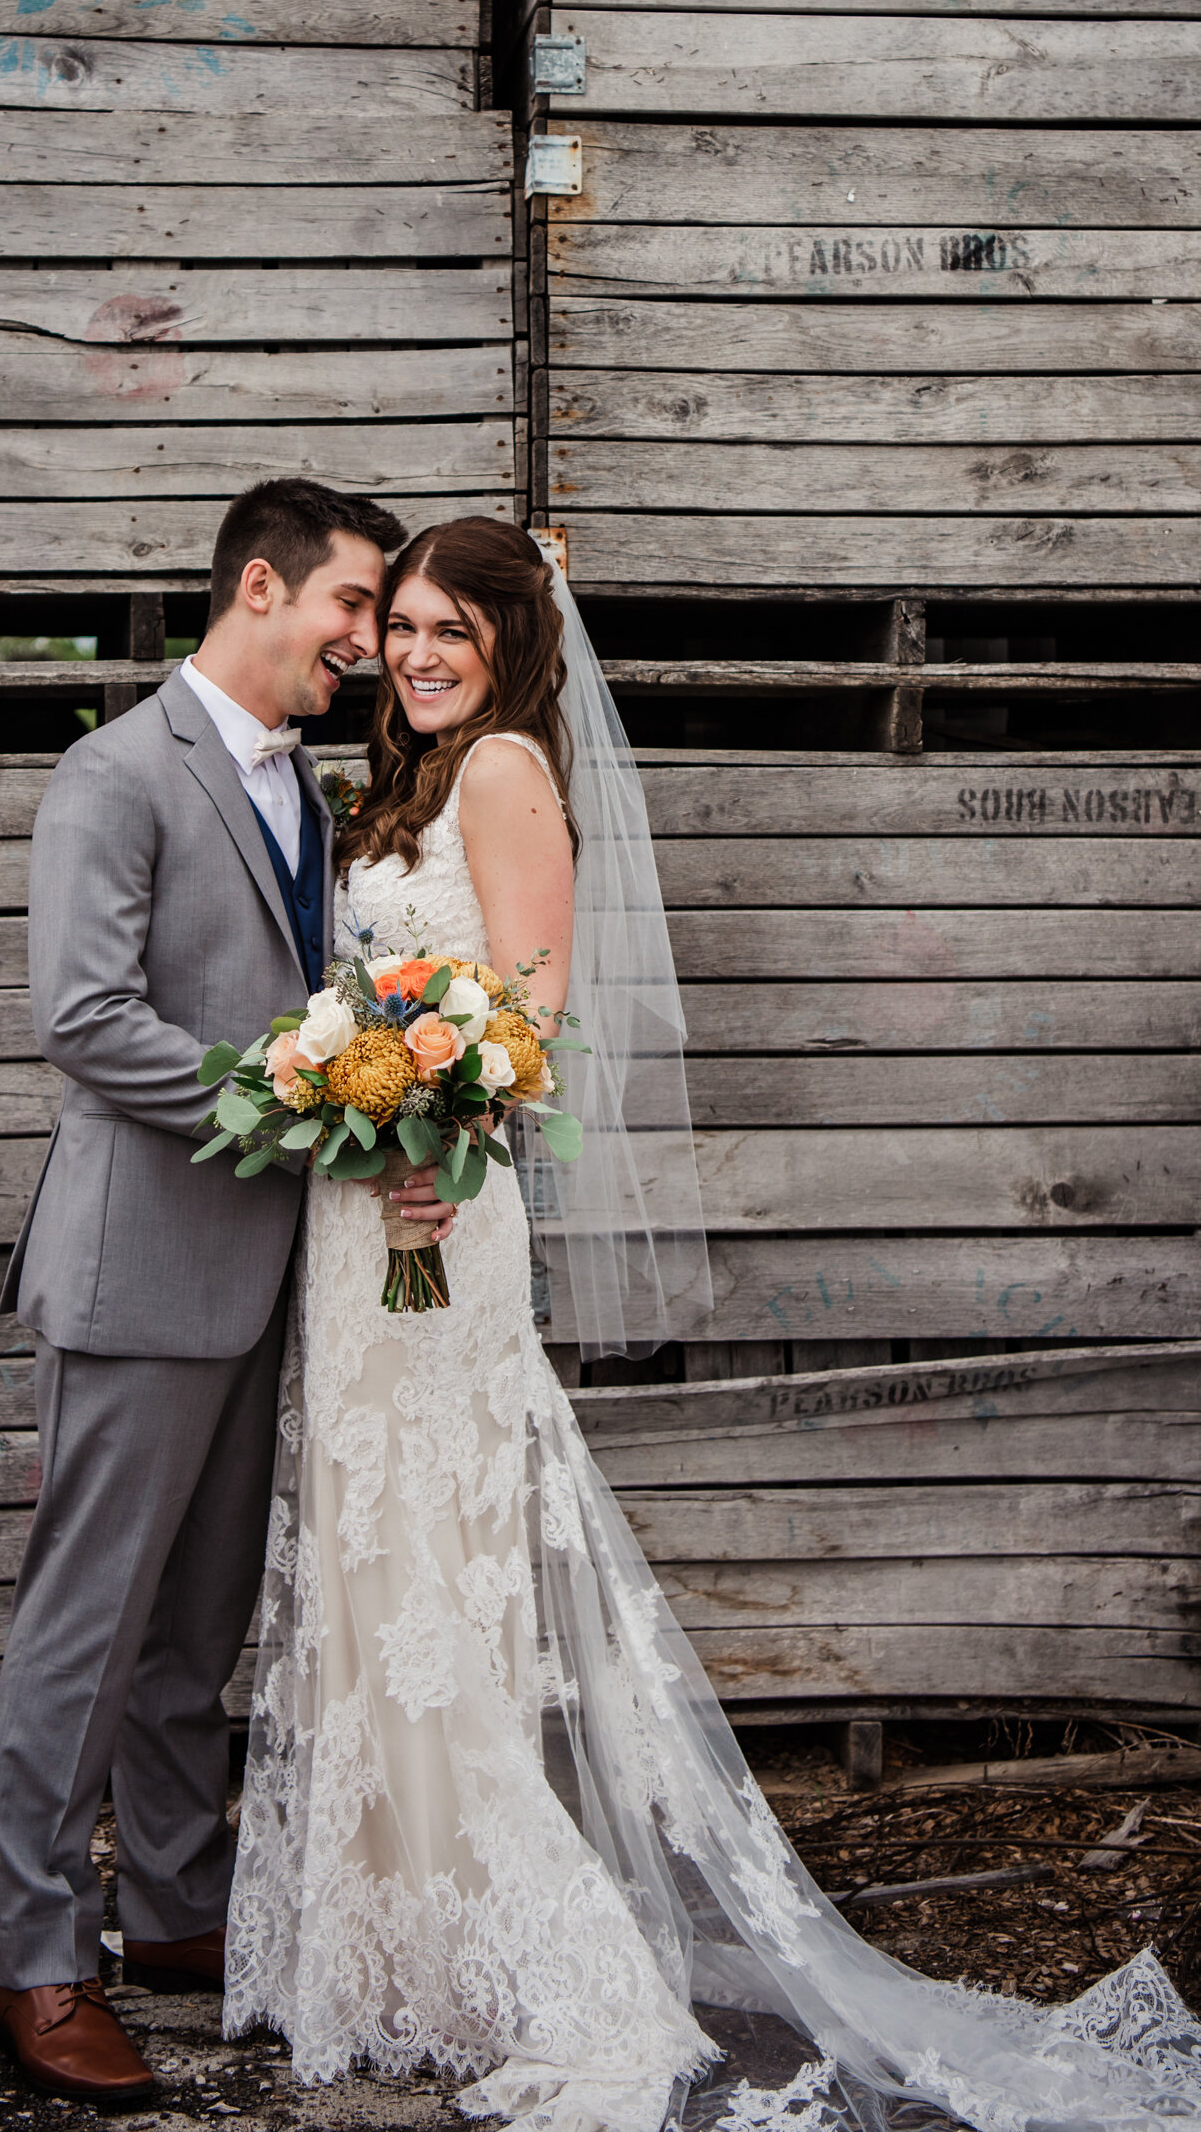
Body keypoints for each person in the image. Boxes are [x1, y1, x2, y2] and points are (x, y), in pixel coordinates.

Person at [222, 518, 1201, 2132]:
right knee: (361, 1559)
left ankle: (520, 1950)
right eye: (399, 623)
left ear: (514, 646)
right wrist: (345, 1092)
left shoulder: (506, 774)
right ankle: (392, 1943)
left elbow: (526, 1026)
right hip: (357, 1222)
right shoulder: (394, 783)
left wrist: (432, 1153)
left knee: (438, 1582)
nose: (414, 653)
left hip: (433, 1218)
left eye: (451, 630)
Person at [0, 478, 458, 2104]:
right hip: (139, 1271)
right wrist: (306, 1103)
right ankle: (42, 1960)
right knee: (89, 1627)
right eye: (351, 607)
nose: (367, 642)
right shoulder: (114, 773)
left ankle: (180, 1909)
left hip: (271, 1274)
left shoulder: (309, 791)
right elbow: (86, 1017)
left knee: (195, 1634)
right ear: (262, 589)